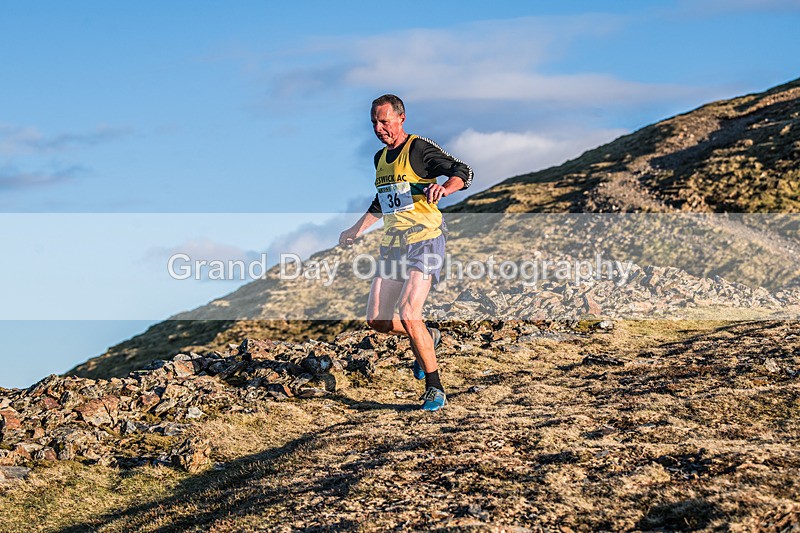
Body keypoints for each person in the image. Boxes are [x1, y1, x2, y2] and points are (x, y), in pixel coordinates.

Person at [339, 94, 473, 411]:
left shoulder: (418, 149)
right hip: (394, 245)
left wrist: (445, 187)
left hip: (425, 239)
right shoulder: (379, 159)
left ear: (401, 118)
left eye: (384, 121)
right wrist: (356, 229)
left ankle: (434, 387)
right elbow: (383, 201)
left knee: (409, 313)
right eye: (374, 122)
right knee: (378, 321)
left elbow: (462, 170)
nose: (378, 127)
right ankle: (430, 336)